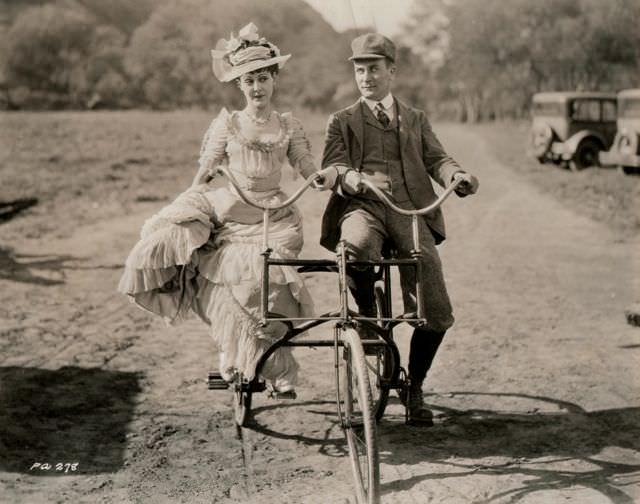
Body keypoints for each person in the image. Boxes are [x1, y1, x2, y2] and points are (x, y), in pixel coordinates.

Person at [118, 23, 338, 397]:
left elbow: (303, 162)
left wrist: (317, 178)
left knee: (269, 290)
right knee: (232, 281)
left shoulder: (288, 125)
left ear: (274, 80)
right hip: (232, 216)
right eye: (249, 80)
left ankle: (268, 361)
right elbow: (204, 170)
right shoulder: (228, 124)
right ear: (239, 84)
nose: (257, 88)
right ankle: (234, 353)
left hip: (275, 217)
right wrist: (192, 196)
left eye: (264, 79)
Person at [320, 33, 479, 424]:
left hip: (409, 211)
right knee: (354, 246)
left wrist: (457, 176)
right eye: (360, 70)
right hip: (363, 206)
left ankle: (415, 385)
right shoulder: (341, 121)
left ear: (392, 71)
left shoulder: (416, 119)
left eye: (373, 68)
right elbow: (333, 165)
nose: (366, 77)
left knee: (436, 306)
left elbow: (438, 158)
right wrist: (348, 178)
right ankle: (368, 312)